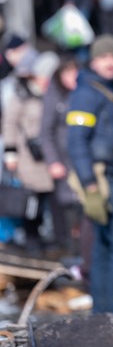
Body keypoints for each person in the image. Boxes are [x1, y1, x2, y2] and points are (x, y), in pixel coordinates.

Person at [66, 34, 113, 313]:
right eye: (104, 57)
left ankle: (103, 313)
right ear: (94, 61)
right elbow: (76, 141)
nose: (110, 62)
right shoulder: (87, 93)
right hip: (100, 179)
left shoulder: (110, 89)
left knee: (104, 247)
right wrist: (89, 183)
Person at [2, 50, 60, 254]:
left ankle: (52, 243)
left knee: (51, 202)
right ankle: (31, 241)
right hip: (28, 159)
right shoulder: (20, 95)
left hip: (48, 157)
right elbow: (9, 124)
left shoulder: (50, 94)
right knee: (30, 204)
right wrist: (10, 154)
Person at [39, 55, 83, 257]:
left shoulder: (84, 93)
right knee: (67, 211)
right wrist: (53, 161)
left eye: (75, 71)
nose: (73, 76)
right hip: (63, 162)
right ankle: (70, 254)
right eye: (68, 72)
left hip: (81, 160)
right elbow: (45, 132)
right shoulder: (54, 95)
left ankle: (81, 255)